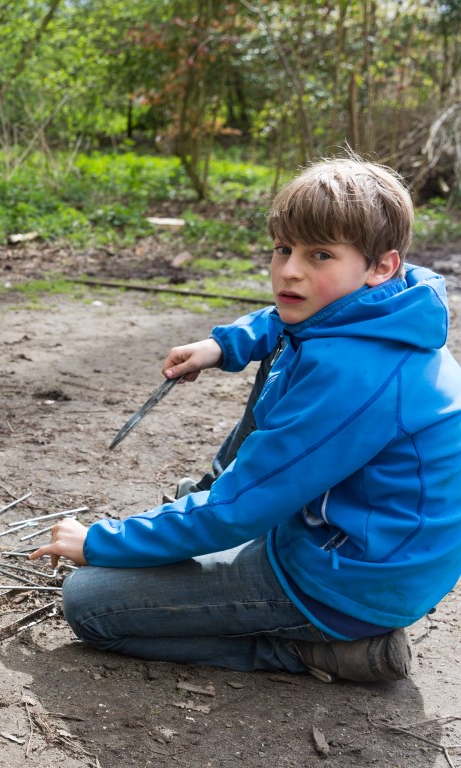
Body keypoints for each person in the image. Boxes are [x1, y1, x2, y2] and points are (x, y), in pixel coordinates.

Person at [31, 157, 461, 683]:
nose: (290, 271)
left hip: (349, 581)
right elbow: (284, 322)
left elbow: (238, 512)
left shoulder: (353, 375)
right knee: (279, 358)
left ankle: (322, 650)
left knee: (89, 602)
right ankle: (212, 517)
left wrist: (100, 541)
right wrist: (222, 345)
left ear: (381, 266)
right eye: (283, 249)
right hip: (366, 547)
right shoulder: (391, 304)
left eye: (320, 255)